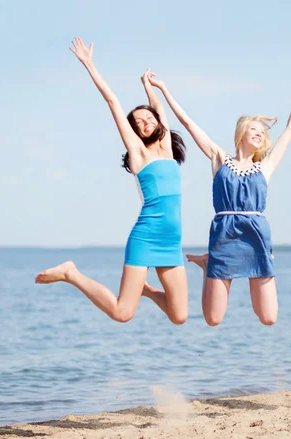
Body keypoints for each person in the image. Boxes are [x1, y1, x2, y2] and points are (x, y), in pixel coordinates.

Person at [35, 38, 188, 325]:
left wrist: (148, 85)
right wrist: (90, 64)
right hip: (146, 236)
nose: (144, 123)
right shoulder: (139, 154)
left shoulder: (166, 146)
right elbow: (112, 101)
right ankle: (71, 273)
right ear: (135, 133)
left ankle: (146, 291)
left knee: (179, 316)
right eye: (138, 123)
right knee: (122, 313)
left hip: (171, 241)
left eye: (148, 119)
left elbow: (159, 107)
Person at [146, 73, 291, 326]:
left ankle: (207, 262)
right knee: (213, 319)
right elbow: (188, 123)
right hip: (224, 234)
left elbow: (290, 129)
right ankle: (207, 263)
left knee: (269, 318)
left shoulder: (266, 166)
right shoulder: (220, 158)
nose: (260, 134)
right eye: (254, 129)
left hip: (256, 236)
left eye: (263, 133)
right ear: (242, 133)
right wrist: (163, 89)